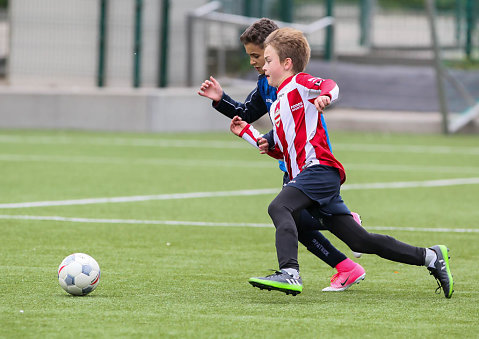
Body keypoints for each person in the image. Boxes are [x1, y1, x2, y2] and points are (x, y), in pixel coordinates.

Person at [230, 27, 454, 298]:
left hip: (320, 170)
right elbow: (281, 151)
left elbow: (329, 85)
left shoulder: (299, 83)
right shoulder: (277, 105)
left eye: (268, 61)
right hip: (310, 177)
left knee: (279, 207)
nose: (263, 67)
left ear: (286, 64)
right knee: (360, 240)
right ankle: (430, 256)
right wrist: (247, 132)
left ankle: (289, 273)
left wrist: (326, 96)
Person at [198, 18, 365, 292]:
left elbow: (298, 113)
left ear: (274, 52)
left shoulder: (291, 78)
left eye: (257, 56)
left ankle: (339, 238)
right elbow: (247, 112)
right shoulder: (265, 84)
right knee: (294, 221)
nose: (255, 62)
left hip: (309, 157)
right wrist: (219, 99)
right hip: (288, 159)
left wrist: (270, 138)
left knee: (287, 213)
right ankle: (346, 265)